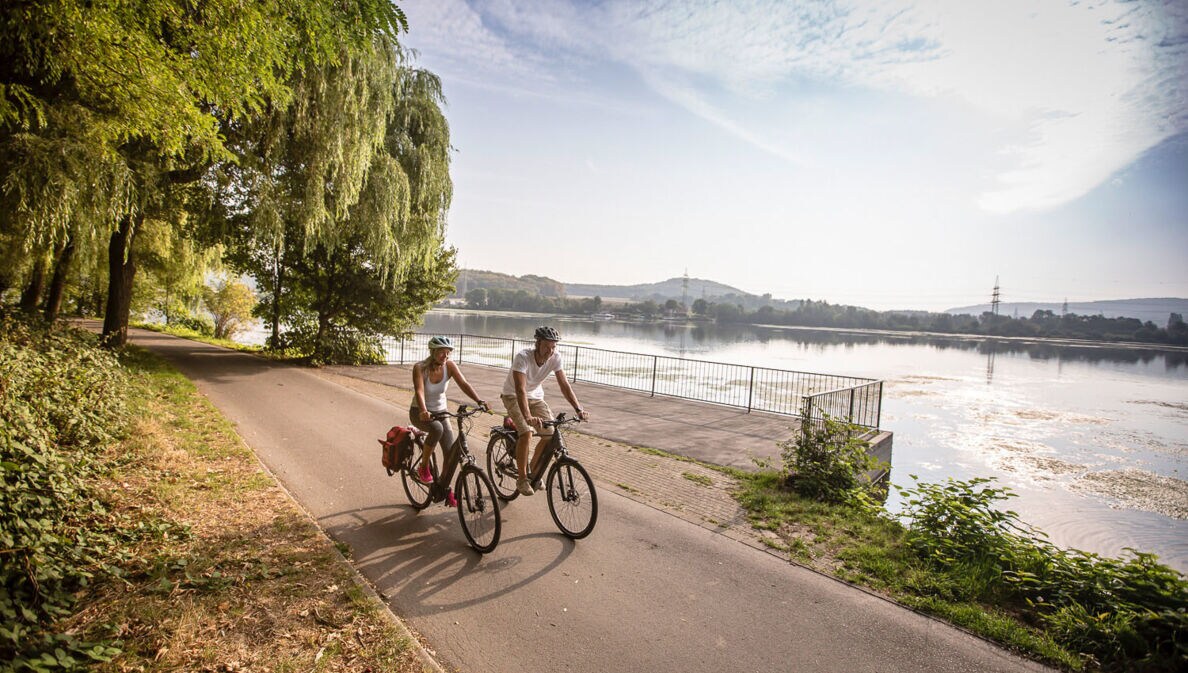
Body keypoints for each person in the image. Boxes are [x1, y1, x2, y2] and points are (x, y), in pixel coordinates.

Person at [501, 326, 589, 496]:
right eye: (547, 346)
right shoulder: (523, 357)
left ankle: (533, 471)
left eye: (553, 347)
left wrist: (578, 409)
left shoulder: (555, 358)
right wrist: (527, 417)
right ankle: (522, 479)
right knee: (526, 432)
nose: (550, 351)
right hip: (512, 396)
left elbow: (564, 385)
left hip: (536, 397)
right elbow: (520, 389)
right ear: (538, 343)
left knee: (550, 435)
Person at [410, 336, 487, 505]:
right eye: (441, 353)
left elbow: (464, 384)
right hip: (419, 412)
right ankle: (423, 467)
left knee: (451, 453)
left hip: (441, 411)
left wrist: (479, 400)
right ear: (432, 352)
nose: (445, 356)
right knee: (437, 429)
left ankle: (443, 489)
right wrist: (423, 410)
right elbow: (419, 391)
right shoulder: (420, 368)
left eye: (448, 353)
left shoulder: (450, 366)